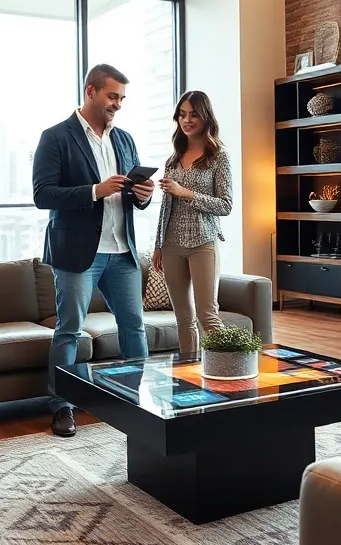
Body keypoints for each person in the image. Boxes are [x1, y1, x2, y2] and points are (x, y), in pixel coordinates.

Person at [32, 63, 155, 438]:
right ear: (90, 92)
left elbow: (132, 194)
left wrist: (143, 196)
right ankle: (62, 407)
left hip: (122, 251)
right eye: (111, 96)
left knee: (134, 328)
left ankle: (136, 399)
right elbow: (42, 194)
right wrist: (94, 191)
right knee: (68, 331)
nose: (117, 104)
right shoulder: (55, 137)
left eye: (121, 98)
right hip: (78, 253)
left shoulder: (125, 139)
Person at [153, 90, 233, 355]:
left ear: (205, 117)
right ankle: (190, 375)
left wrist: (185, 192)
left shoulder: (219, 156)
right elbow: (166, 206)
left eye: (193, 115)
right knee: (183, 319)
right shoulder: (172, 159)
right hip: (171, 245)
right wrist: (158, 245)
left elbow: (226, 205)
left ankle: (229, 371)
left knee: (207, 316)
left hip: (203, 243)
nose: (186, 120)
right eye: (182, 114)